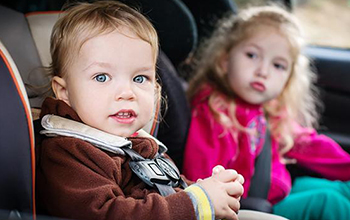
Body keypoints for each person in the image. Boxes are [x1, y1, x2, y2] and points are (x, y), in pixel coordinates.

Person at [35, 1, 245, 220]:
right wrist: (196, 203)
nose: (127, 92)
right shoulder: (68, 151)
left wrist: (211, 190)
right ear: (64, 91)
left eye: (139, 78)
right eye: (102, 77)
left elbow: (165, 191)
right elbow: (107, 213)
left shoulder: (141, 145)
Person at [182, 5, 350, 220]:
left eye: (278, 65)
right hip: (250, 207)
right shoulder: (214, 111)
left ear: (288, 79)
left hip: (278, 192)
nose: (263, 71)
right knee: (328, 202)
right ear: (225, 62)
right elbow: (203, 177)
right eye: (252, 55)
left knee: (342, 189)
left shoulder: (269, 111)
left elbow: (312, 146)